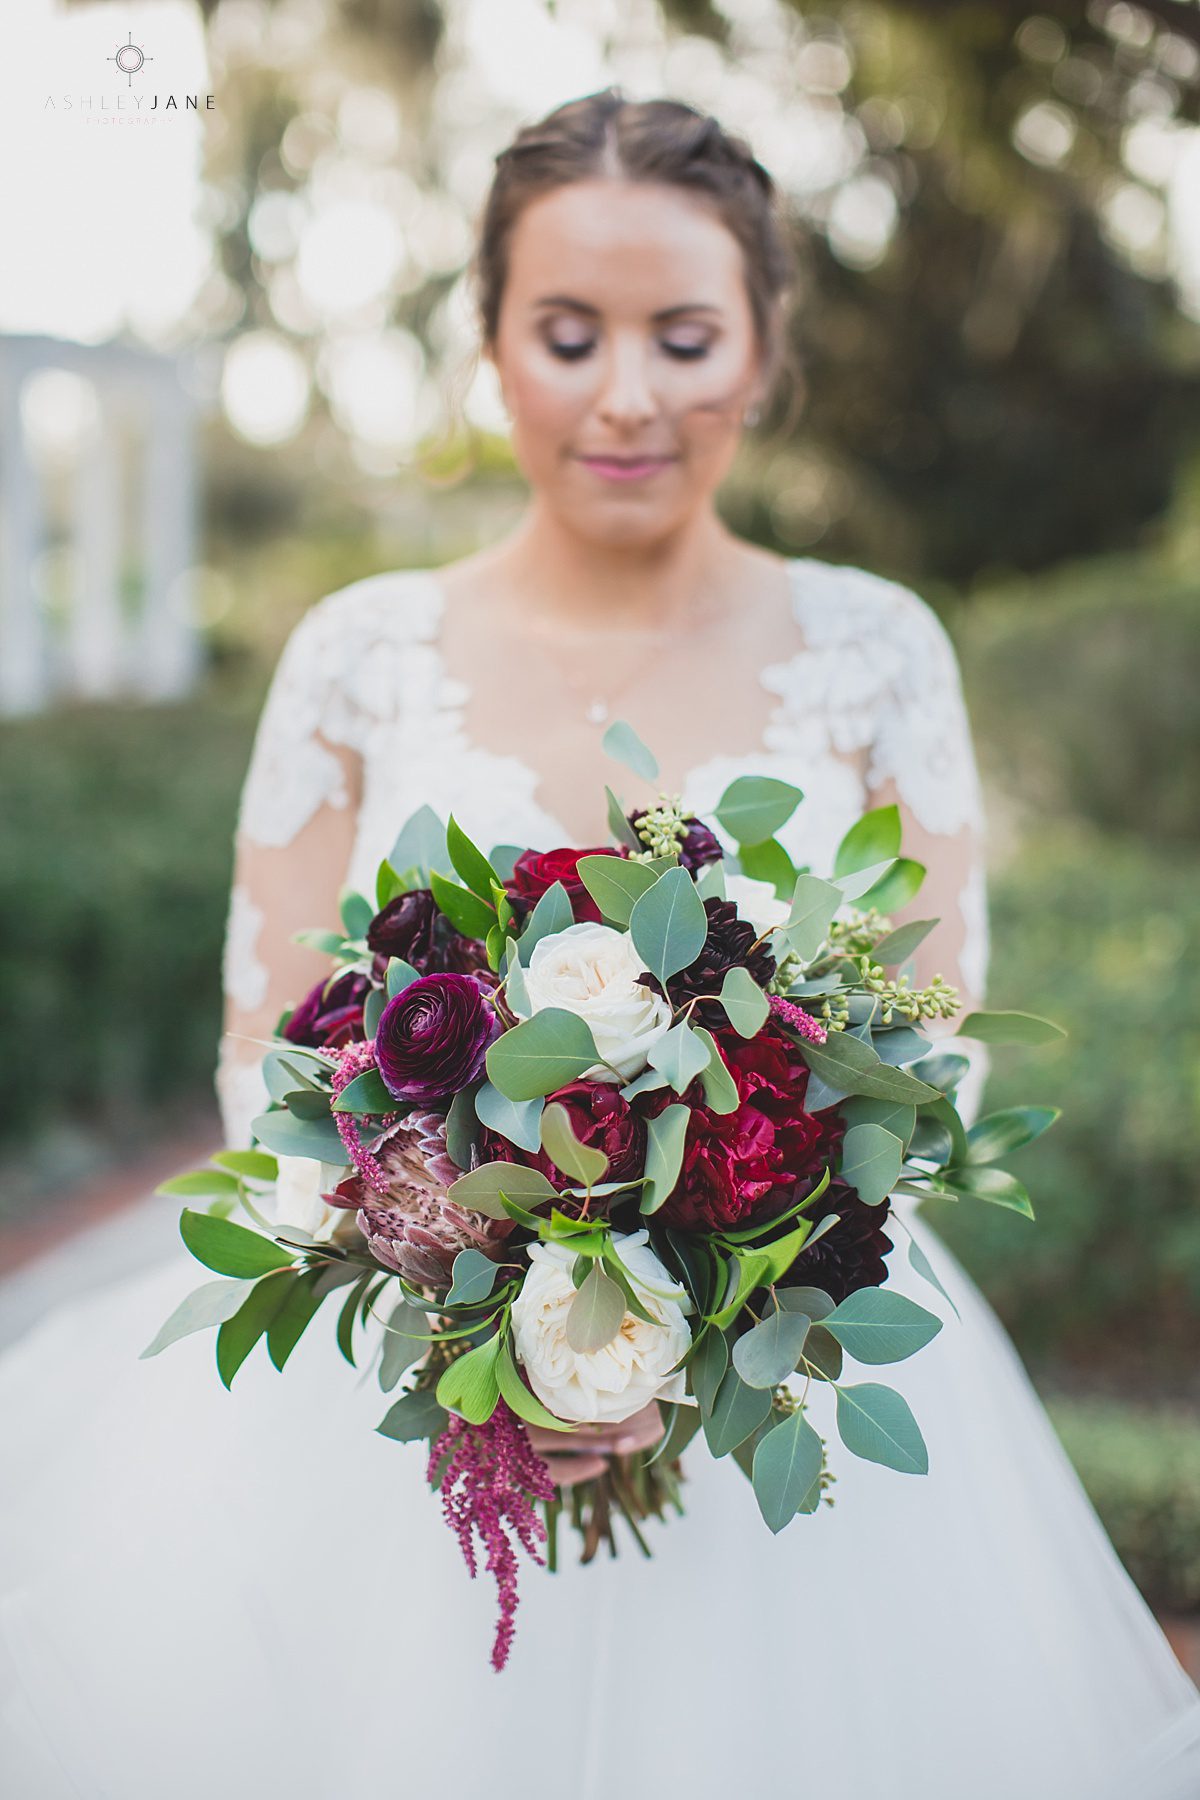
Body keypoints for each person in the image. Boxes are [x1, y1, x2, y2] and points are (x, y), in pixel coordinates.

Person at [2, 90, 1198, 1800]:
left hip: (782, 1391)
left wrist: (679, 1330)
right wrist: (495, 1320)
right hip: (405, 1414)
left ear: (764, 350)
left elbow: (930, 1060)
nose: (627, 394)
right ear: (491, 345)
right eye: (569, 335)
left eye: (684, 336)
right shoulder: (360, 655)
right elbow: (271, 1071)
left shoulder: (877, 649)